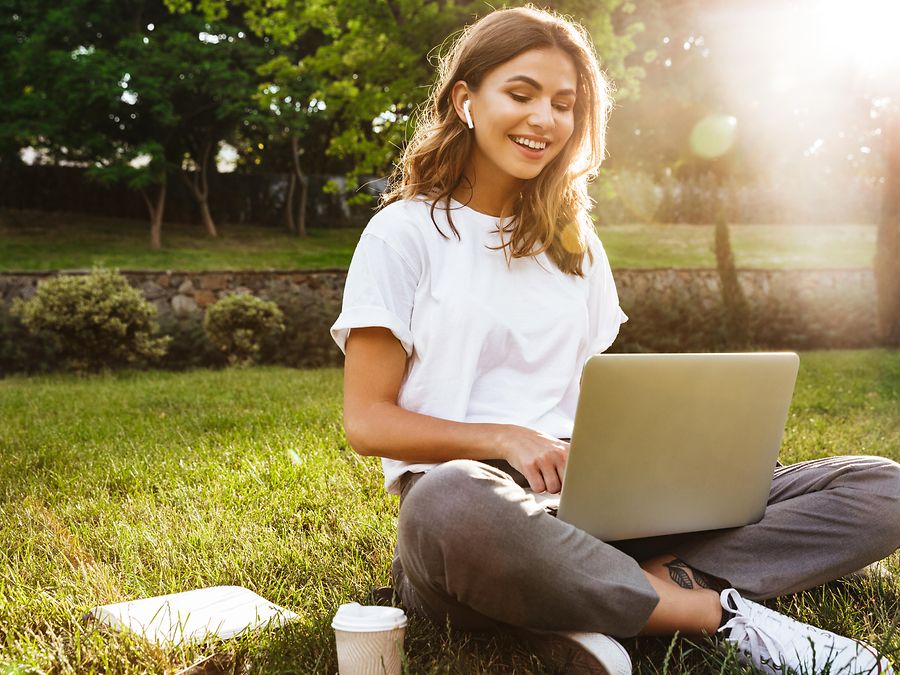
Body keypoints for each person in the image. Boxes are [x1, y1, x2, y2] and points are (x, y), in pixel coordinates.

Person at [330, 6, 900, 673]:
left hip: (596, 501)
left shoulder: (576, 246)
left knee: (879, 487)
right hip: (481, 510)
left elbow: (589, 392)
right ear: (465, 100)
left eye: (564, 103)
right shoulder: (405, 233)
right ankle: (709, 608)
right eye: (520, 94)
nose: (544, 118)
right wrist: (505, 437)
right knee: (444, 504)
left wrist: (664, 461)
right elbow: (368, 421)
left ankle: (598, 599)